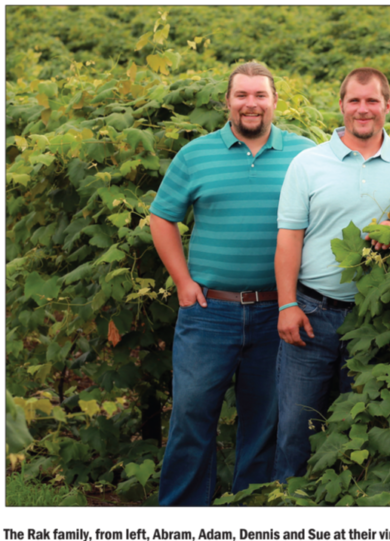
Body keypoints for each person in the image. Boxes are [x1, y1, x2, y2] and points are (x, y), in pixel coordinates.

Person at [149, 62, 315, 505]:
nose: (251, 104)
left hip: (276, 311)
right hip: (209, 312)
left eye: (260, 95)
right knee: (190, 415)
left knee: (264, 422)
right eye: (242, 95)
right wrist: (183, 282)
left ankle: (248, 515)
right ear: (227, 101)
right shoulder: (196, 155)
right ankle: (182, 519)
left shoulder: (305, 154)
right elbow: (162, 218)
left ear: (275, 100)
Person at [273, 67, 390, 482]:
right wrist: (287, 304)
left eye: (372, 101)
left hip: (379, 317)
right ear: (341, 105)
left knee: (363, 426)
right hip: (312, 311)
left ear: (388, 106)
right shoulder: (308, 163)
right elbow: (289, 238)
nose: (364, 110)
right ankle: (289, 506)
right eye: (355, 101)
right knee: (296, 426)